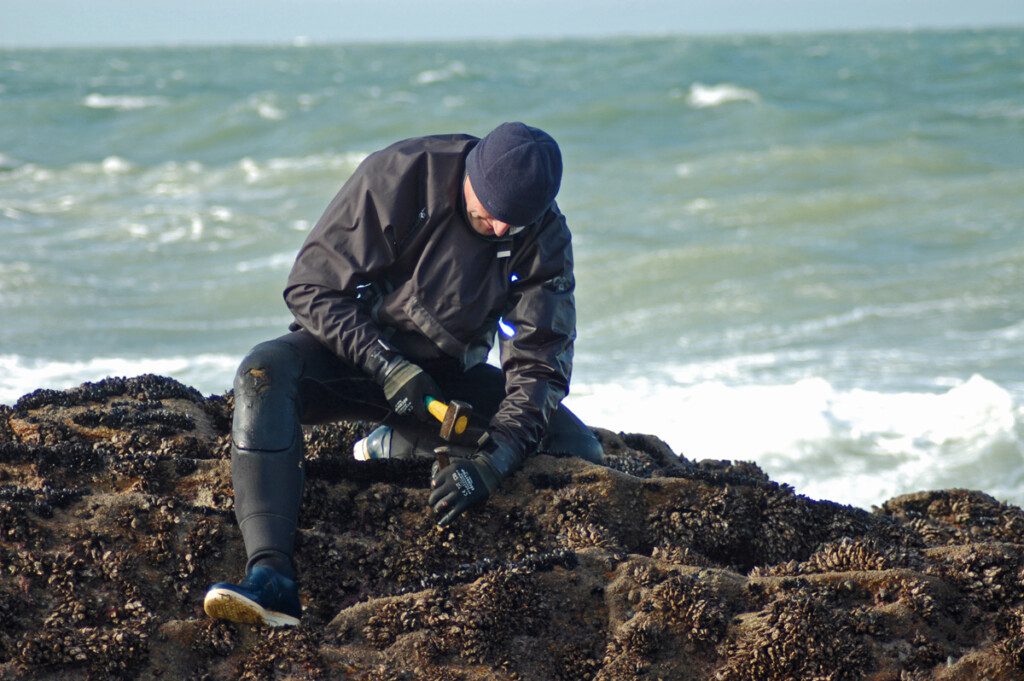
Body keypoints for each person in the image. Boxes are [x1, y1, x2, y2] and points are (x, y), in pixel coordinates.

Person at [203, 122, 603, 627]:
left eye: (514, 223)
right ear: (471, 174)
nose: (501, 229)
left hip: (442, 386)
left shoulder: (542, 235)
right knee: (260, 374)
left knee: (577, 446)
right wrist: (385, 364)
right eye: (492, 212)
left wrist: (492, 464)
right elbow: (310, 289)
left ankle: (395, 443)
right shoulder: (402, 174)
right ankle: (271, 576)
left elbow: (539, 366)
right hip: (352, 356)